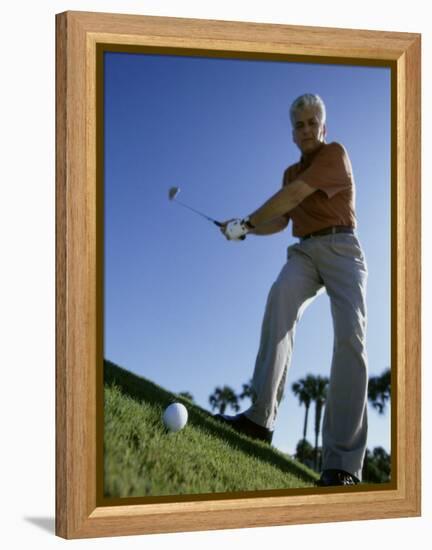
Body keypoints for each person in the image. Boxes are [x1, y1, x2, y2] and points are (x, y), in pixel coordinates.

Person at [215, 93, 368, 487]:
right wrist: (245, 229)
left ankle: (343, 464)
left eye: (312, 122)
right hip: (303, 252)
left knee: (350, 337)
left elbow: (296, 195)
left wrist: (247, 220)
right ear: (292, 132)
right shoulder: (288, 172)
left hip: (341, 249)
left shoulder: (334, 154)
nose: (306, 130)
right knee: (279, 298)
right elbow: (280, 221)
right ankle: (259, 419)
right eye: (299, 124)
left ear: (323, 126)